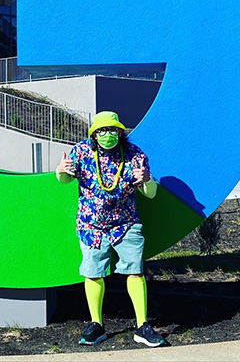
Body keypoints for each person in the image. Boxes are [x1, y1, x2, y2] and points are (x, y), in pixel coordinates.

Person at [56, 111, 166, 347]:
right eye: (103, 130)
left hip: (126, 224)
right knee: (93, 272)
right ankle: (96, 325)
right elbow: (66, 178)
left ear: (120, 131)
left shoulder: (135, 155)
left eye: (113, 130)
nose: (108, 134)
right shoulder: (82, 151)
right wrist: (60, 171)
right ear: (94, 133)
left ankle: (142, 326)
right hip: (91, 225)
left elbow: (151, 193)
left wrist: (147, 179)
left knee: (135, 271)